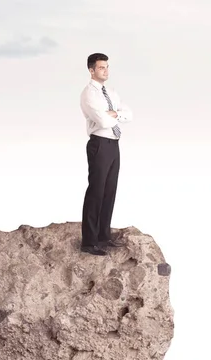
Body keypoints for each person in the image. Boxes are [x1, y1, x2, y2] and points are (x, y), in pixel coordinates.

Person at [79, 53, 133, 256]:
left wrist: (115, 114)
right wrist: (114, 116)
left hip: (113, 144)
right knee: (96, 191)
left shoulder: (111, 92)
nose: (106, 71)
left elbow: (129, 114)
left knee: (110, 190)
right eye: (101, 67)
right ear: (91, 70)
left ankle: (103, 236)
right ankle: (89, 241)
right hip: (99, 144)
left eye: (107, 67)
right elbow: (102, 122)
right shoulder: (88, 94)